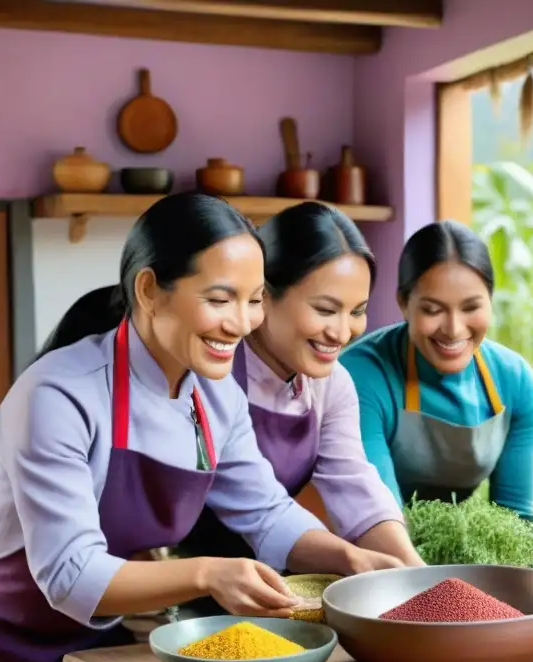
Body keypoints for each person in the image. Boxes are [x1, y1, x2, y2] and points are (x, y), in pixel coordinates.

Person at [0, 193, 396, 662]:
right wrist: (209, 572)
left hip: (101, 653)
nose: (241, 322)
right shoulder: (56, 396)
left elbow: (266, 512)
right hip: (4, 654)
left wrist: (349, 559)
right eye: (219, 298)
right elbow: (70, 574)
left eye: (254, 300)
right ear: (149, 289)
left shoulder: (215, 397)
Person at [179, 202, 423, 570]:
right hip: (169, 575)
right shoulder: (210, 372)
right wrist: (350, 559)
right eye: (325, 310)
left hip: (259, 578)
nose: (342, 333)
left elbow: (355, 486)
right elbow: (259, 505)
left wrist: (415, 573)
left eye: (357, 311)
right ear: (263, 295)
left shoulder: (332, 384)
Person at [339, 220, 533, 519]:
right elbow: (378, 516)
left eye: (471, 308)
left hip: (441, 555)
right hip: (365, 541)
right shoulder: (360, 374)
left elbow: (515, 515)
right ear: (404, 304)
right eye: (433, 310)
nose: (453, 329)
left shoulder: (514, 381)